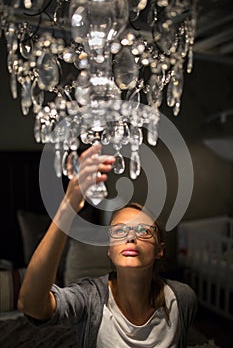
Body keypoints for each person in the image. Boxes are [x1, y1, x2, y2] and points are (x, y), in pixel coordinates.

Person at [18, 143, 197, 348]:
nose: (131, 237)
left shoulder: (183, 299)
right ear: (109, 250)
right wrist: (68, 207)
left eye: (143, 231)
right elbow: (30, 304)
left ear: (160, 249)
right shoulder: (89, 298)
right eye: (120, 231)